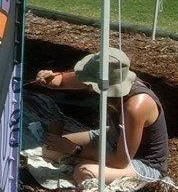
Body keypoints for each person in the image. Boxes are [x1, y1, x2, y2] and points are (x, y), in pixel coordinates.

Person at [33, 49, 168, 185]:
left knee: (84, 173)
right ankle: (91, 162)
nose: (88, 87)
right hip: (113, 137)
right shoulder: (111, 77)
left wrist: (75, 149)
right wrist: (49, 79)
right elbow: (61, 80)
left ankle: (88, 164)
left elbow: (121, 160)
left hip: (143, 163)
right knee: (51, 149)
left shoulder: (135, 106)